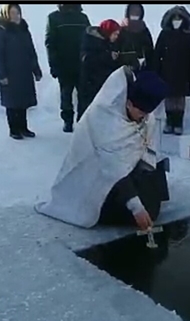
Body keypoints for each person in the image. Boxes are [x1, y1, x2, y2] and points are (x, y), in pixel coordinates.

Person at [35, 67, 170, 231]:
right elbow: (112, 168)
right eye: (141, 113)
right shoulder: (104, 117)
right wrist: (136, 206)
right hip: (94, 176)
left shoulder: (144, 115)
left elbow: (147, 148)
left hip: (125, 172)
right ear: (128, 103)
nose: (144, 118)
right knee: (137, 212)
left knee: (153, 202)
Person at [0, 4, 42, 140]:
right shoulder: (1, 33)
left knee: (23, 101)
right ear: (6, 15)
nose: (16, 16)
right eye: (12, 13)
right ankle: (14, 129)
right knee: (12, 103)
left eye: (17, 13)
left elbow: (31, 51)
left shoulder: (24, 30)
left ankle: (23, 127)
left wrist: (36, 69)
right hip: (10, 73)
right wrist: (2, 75)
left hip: (24, 72)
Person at [152, 6, 190, 136]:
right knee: (169, 97)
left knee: (180, 98)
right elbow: (158, 52)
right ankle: (169, 121)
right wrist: (156, 70)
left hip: (183, 71)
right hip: (167, 70)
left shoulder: (188, 34)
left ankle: (178, 122)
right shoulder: (165, 34)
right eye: (174, 18)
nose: (176, 20)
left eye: (179, 18)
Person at [45, 4, 91, 133]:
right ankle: (68, 121)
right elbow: (50, 43)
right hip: (63, 64)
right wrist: (53, 64)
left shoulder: (82, 18)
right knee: (66, 94)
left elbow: (90, 38)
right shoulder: (54, 18)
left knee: (84, 95)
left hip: (81, 64)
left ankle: (82, 121)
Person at [77, 19, 122, 121]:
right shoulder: (91, 41)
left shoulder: (108, 42)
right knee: (88, 114)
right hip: (90, 83)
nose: (116, 37)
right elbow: (87, 59)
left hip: (101, 83)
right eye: (115, 34)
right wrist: (108, 56)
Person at [116, 4, 154, 71]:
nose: (135, 14)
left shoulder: (144, 30)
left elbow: (150, 51)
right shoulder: (122, 29)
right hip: (123, 67)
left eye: (137, 12)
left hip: (142, 67)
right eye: (133, 12)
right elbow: (116, 47)